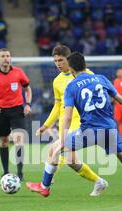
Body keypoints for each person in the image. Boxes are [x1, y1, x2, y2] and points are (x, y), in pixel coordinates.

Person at [27, 52, 122, 201]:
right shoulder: (101, 78)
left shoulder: (71, 86)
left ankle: (45, 187)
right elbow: (121, 100)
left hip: (88, 132)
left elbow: (67, 116)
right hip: (109, 129)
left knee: (55, 150)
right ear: (85, 65)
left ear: (72, 70)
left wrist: (63, 138)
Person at [35, 45, 108, 196]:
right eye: (55, 61)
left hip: (81, 122)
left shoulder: (87, 74)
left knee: (56, 149)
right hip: (65, 124)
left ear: (68, 59)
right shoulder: (57, 81)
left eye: (61, 60)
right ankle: (99, 182)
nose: (58, 64)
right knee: (71, 160)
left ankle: (46, 182)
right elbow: (57, 104)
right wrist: (46, 125)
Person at [0, 48, 32, 181]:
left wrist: (28, 104)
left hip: (17, 110)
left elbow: (28, 89)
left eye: (8, 56)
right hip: (1, 111)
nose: (6, 58)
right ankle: (5, 172)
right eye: (3, 56)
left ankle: (20, 173)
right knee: (4, 141)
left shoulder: (18, 72)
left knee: (18, 140)